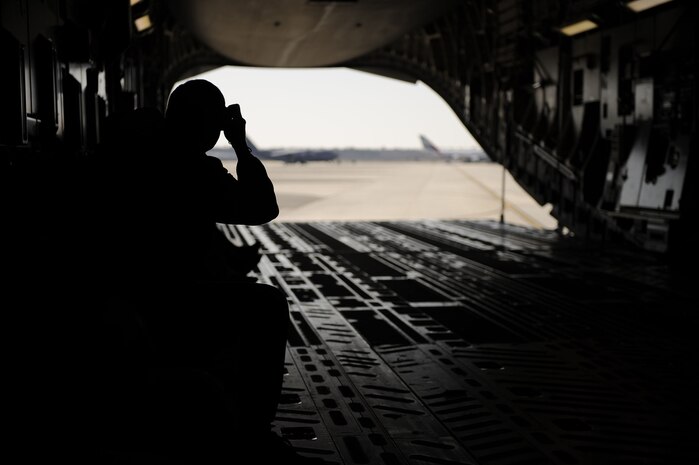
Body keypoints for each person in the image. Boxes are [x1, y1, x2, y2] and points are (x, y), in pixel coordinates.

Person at [104, 79, 321, 464]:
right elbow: (261, 208)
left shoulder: (134, 154)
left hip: (129, 294)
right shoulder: (192, 168)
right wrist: (240, 144)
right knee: (268, 304)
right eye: (214, 123)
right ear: (204, 125)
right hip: (168, 300)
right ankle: (253, 436)